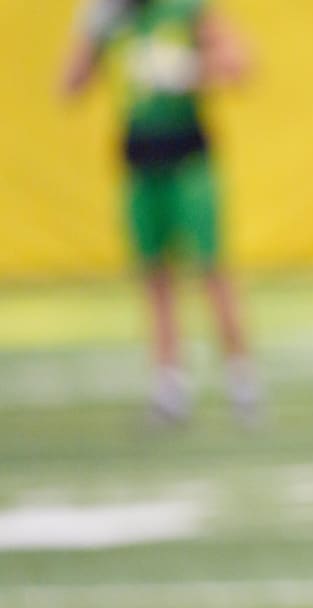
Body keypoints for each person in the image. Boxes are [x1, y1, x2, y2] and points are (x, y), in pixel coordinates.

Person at [60, 0, 260, 426]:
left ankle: (241, 378)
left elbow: (241, 67)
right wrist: (88, 33)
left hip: (188, 157)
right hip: (139, 161)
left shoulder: (184, 10)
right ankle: (169, 385)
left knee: (211, 268)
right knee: (154, 275)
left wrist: (189, 68)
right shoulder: (112, 17)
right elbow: (70, 87)